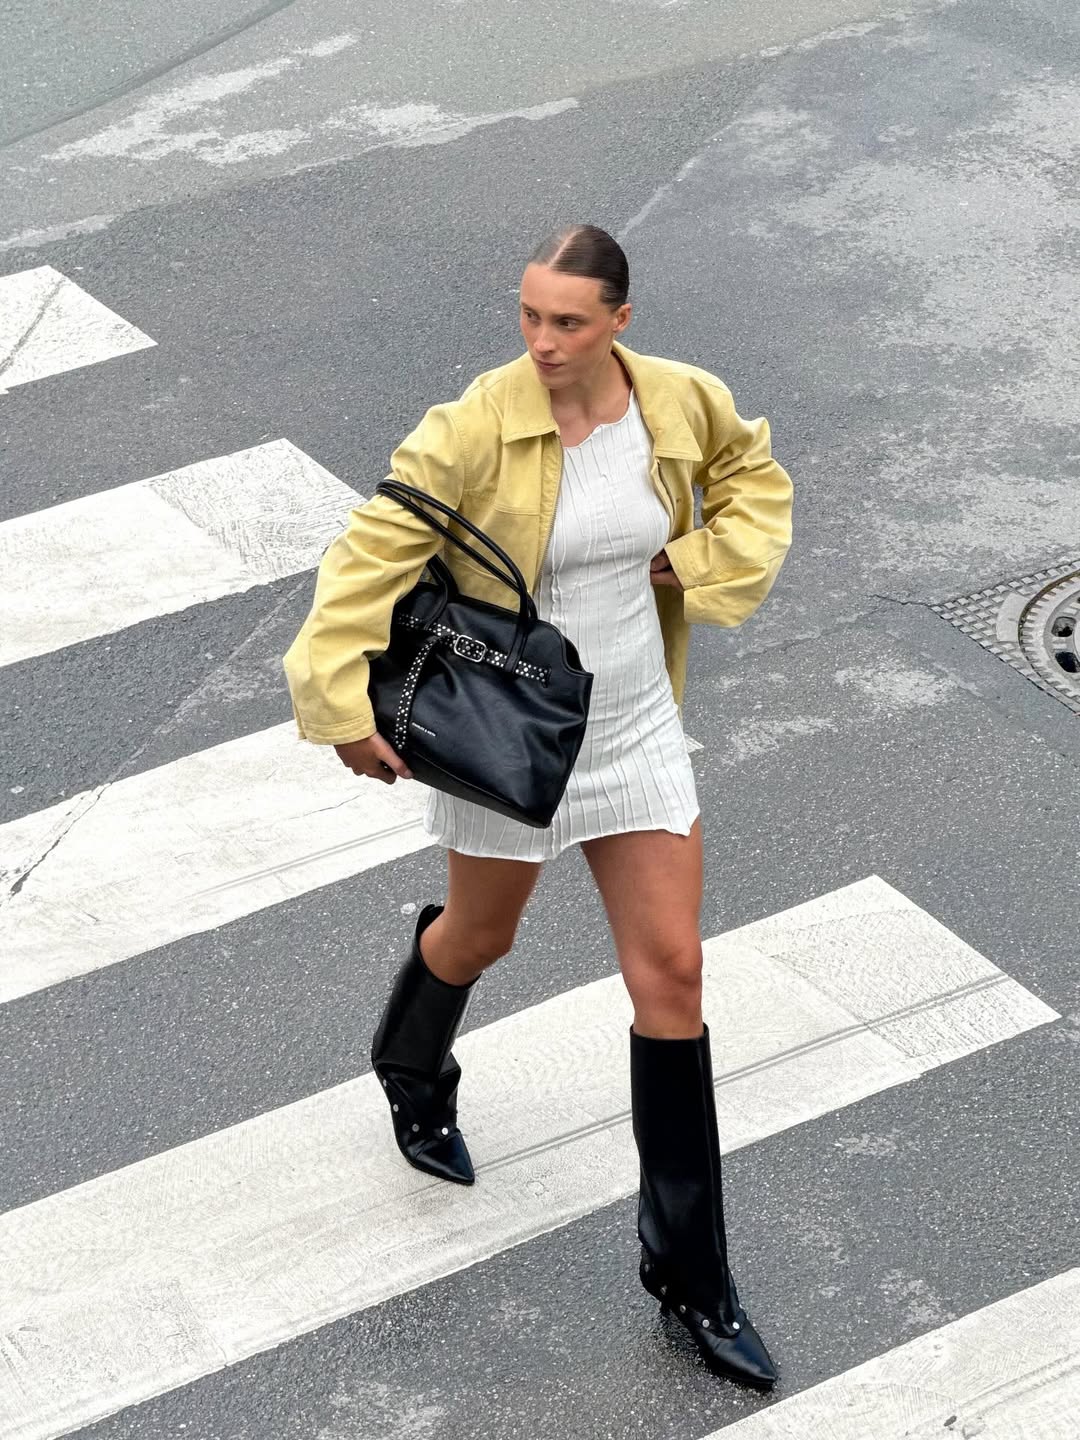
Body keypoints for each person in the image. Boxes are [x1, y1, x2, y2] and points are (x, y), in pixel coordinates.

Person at [283, 225, 793, 1388]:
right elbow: (365, 557)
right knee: (481, 936)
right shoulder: (473, 426)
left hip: (634, 728)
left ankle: (692, 1277)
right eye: (530, 316)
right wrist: (337, 703)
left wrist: (698, 559)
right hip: (511, 738)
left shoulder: (679, 402)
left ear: (619, 320)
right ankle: (411, 1062)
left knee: (674, 976)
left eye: (568, 321)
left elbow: (755, 479)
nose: (543, 341)